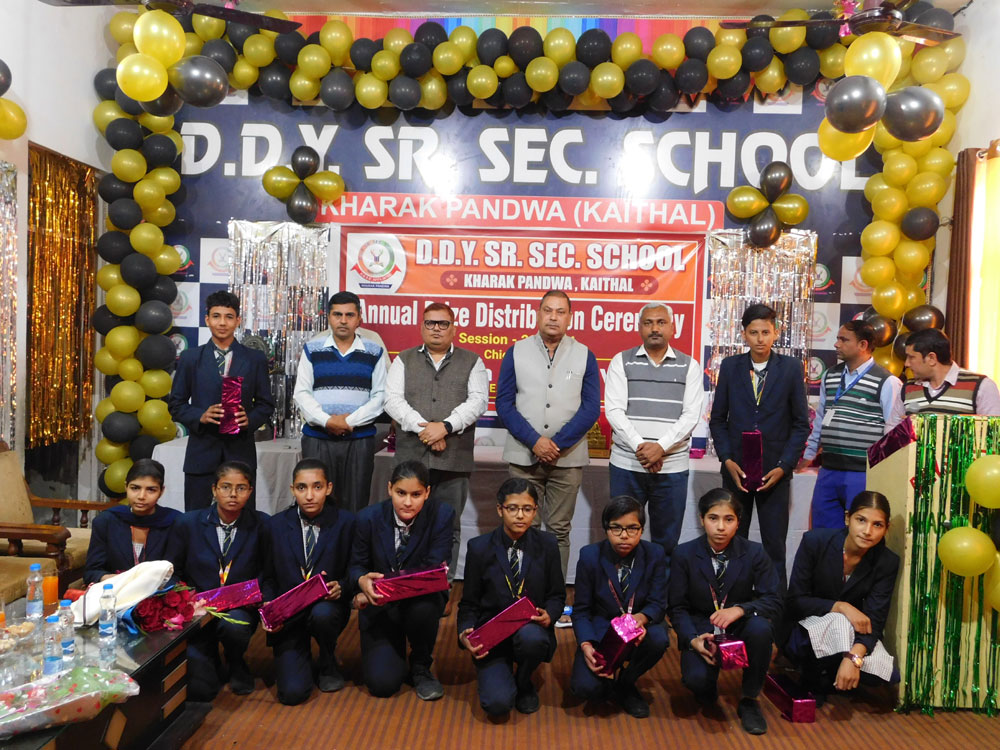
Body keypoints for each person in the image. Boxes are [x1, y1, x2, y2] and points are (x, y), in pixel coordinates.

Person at [496, 290, 601, 588]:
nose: (553, 317)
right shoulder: (516, 351)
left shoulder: (585, 355)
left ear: (570, 318)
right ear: (538, 314)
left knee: (558, 530)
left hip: (567, 458)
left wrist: (557, 444)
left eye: (560, 312)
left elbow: (591, 408)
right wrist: (535, 441)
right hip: (523, 456)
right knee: (520, 527)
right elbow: (504, 403)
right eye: (548, 310)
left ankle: (552, 595)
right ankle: (519, 593)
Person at [385, 302, 488, 582]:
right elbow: (392, 401)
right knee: (406, 522)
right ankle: (405, 583)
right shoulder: (403, 359)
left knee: (448, 525)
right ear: (422, 327)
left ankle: (442, 586)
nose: (437, 329)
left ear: (454, 328)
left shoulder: (473, 361)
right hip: (411, 459)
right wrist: (427, 431)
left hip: (454, 461)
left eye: (443, 323)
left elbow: (478, 401)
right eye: (430, 323)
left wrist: (445, 428)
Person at [708, 303, 810, 583]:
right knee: (732, 540)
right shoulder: (730, 367)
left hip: (774, 471)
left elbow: (801, 424)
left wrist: (785, 466)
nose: (760, 339)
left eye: (766, 332)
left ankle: (775, 602)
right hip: (737, 470)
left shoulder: (790, 368)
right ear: (744, 334)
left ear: (776, 333)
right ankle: (732, 596)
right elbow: (718, 419)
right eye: (754, 332)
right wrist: (727, 459)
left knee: (774, 545)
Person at [668, 488, 782, 736]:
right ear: (701, 519)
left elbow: (773, 600)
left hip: (739, 623)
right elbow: (677, 607)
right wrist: (692, 639)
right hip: (701, 626)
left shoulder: (754, 552)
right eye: (713, 518)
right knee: (697, 682)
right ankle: (706, 685)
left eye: (729, 519)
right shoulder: (683, 554)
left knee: (761, 629)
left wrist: (740, 609)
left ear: (738, 522)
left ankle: (749, 699)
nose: (721, 527)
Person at [604, 302, 705, 573]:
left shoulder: (690, 366)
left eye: (661, 322)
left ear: (672, 328)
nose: (655, 328)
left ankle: (660, 596)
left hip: (671, 468)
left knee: (666, 542)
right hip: (627, 465)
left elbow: (691, 416)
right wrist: (642, 448)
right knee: (622, 535)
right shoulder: (621, 361)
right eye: (648, 323)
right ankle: (623, 594)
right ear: (640, 328)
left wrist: (660, 447)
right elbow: (614, 411)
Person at [457, 479, 565, 717]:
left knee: (532, 639)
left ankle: (524, 680)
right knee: (497, 705)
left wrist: (550, 614)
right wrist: (465, 632)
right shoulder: (479, 548)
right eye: (512, 508)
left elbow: (557, 594)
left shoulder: (547, 545)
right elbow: (469, 602)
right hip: (492, 636)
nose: (520, 515)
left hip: (530, 630)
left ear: (535, 511)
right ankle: (499, 670)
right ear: (500, 509)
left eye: (527, 509)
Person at [350, 460, 455, 700]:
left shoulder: (442, 515)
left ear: (427, 492)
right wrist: (362, 581)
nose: (408, 502)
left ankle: (421, 664)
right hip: (380, 605)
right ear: (389, 489)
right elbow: (356, 565)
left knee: (425, 607)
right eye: (401, 493)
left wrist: (387, 588)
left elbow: (433, 567)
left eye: (416, 494)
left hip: (420, 600)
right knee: (382, 685)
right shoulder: (368, 518)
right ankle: (392, 648)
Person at [166, 461, 269, 701]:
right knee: (202, 690)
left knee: (235, 627)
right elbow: (173, 570)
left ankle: (236, 660)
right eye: (225, 487)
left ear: (250, 491)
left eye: (241, 488)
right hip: (197, 607)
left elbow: (268, 569)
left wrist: (259, 596)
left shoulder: (262, 524)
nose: (233, 494)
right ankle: (209, 656)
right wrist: (185, 599)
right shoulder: (188, 523)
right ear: (214, 489)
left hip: (239, 607)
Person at [784, 491, 900, 702]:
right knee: (837, 620)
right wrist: (841, 606)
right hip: (807, 626)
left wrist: (854, 657)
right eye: (861, 520)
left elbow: (875, 618)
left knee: (886, 675)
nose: (867, 531)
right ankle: (813, 676)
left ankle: (836, 669)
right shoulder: (815, 542)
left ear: (886, 528)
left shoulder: (886, 561)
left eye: (877, 525)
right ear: (847, 518)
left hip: (848, 632)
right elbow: (795, 602)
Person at [260, 458, 355, 705]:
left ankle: (327, 656)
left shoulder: (346, 522)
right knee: (292, 694)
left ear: (329, 488)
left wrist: (343, 586)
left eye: (317, 487)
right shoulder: (275, 525)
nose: (310, 495)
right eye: (302, 487)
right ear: (292, 489)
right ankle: (297, 655)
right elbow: (267, 575)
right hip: (288, 615)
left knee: (323, 614)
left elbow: (355, 568)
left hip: (326, 608)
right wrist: (269, 606)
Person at [168, 291, 274, 511]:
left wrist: (250, 419)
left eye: (229, 317)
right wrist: (200, 415)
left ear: (238, 320)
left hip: (240, 451)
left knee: (243, 517)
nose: (222, 323)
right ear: (207, 319)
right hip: (201, 452)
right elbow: (176, 405)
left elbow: (266, 404)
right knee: (196, 518)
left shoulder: (254, 359)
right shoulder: (190, 358)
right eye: (216, 316)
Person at [796, 320, 905, 528]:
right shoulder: (830, 375)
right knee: (823, 533)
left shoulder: (887, 381)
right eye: (837, 338)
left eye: (843, 340)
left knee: (860, 533)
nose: (836, 344)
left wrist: (883, 471)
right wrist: (809, 454)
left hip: (863, 472)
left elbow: (892, 433)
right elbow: (820, 418)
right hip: (829, 469)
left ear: (863, 345)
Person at [570, 496, 669, 719]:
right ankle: (606, 680)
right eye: (616, 528)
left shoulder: (654, 554)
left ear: (641, 530)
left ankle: (626, 682)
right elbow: (582, 610)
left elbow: (658, 603)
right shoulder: (590, 555)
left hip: (639, 628)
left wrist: (641, 619)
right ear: (606, 529)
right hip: (602, 630)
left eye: (632, 528)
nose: (624, 535)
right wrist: (586, 644)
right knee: (586, 689)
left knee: (659, 638)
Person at [293, 291, 389, 513]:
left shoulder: (373, 351)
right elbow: (302, 393)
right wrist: (327, 421)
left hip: (359, 439)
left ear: (359, 318)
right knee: (316, 503)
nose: (343, 320)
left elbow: (381, 396)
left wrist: (349, 421)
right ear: (328, 317)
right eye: (337, 314)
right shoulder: (312, 348)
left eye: (349, 315)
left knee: (356, 504)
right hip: (318, 437)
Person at [84, 459, 180, 584]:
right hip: (115, 591)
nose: (141, 496)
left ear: (161, 491)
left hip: (161, 593)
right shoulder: (106, 521)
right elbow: (91, 572)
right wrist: (123, 582)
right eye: (135, 488)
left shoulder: (174, 523)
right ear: (126, 487)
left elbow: (180, 574)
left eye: (151, 490)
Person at [902, 328, 1000, 415]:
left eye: (911, 357)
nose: (906, 364)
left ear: (931, 358)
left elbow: (992, 428)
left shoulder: (981, 386)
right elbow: (895, 426)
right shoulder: (907, 388)